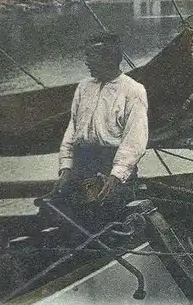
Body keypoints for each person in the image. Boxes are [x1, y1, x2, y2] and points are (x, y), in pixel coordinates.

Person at [52, 33, 148, 218]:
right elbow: (73, 130)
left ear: (109, 58)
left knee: (107, 219)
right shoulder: (83, 87)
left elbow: (134, 141)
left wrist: (116, 177)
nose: (86, 62)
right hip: (82, 164)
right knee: (63, 215)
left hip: (110, 165)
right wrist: (65, 169)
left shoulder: (133, 90)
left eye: (91, 57)